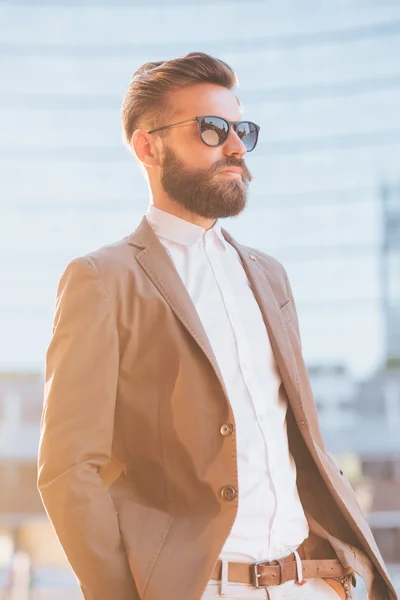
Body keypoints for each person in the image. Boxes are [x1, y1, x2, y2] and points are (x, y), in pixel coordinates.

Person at [37, 52, 396, 600]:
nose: (235, 146)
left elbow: (300, 440)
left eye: (241, 130)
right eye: (211, 129)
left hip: (313, 582)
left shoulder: (270, 276)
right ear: (147, 146)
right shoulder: (101, 280)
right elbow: (69, 471)